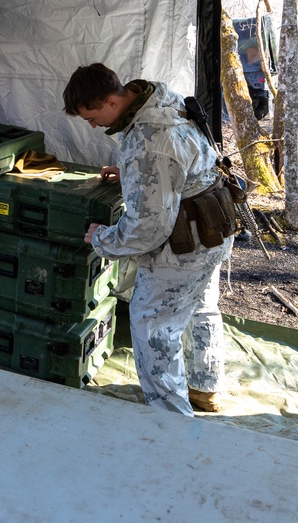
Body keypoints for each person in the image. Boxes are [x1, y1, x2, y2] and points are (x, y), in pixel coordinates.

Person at [63, 62, 231, 416]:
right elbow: (180, 158)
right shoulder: (159, 98)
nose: (92, 126)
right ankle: (204, 387)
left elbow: (147, 229)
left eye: (92, 117)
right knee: (198, 306)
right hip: (215, 227)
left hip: (186, 245)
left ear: (111, 101)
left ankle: (172, 421)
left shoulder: (147, 142)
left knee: (152, 325)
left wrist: (102, 238)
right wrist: (132, 173)